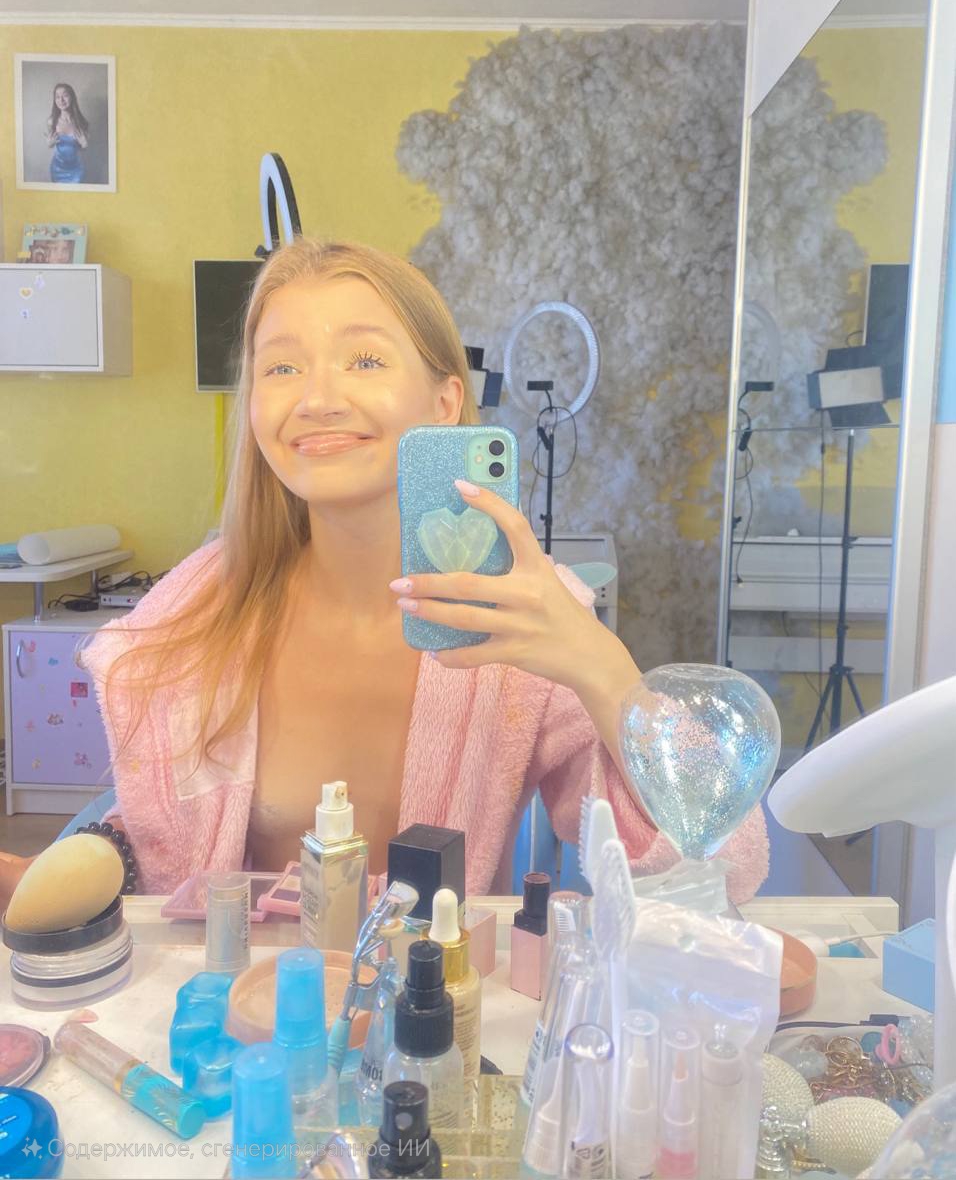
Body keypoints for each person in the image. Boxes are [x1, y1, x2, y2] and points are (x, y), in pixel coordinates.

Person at [0, 240, 768, 907]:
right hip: (242, 1007)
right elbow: (162, 838)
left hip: (433, 1013)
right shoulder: (193, 618)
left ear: (444, 402)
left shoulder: (518, 618)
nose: (317, 398)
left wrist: (602, 668)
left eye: (364, 360)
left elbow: (717, 868)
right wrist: (77, 865)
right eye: (281, 366)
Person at [46, 83, 89, 184]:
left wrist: (85, 145)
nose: (61, 100)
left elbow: (84, 149)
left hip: (76, 170)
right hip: (57, 170)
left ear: (72, 97)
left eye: (65, 95)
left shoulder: (81, 122)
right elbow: (50, 144)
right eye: (57, 97)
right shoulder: (51, 122)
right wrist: (49, 144)